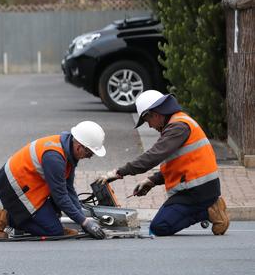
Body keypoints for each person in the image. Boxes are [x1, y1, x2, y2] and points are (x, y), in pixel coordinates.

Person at [96, 90, 229, 236]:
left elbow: (152, 157)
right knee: (158, 226)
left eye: (148, 121)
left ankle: (208, 211)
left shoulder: (177, 127)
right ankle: (207, 207)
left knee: (159, 227)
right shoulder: (178, 123)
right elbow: (179, 164)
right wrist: (152, 181)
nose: (150, 126)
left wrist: (118, 172)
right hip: (197, 189)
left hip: (197, 192)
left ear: (156, 114)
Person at [0, 121, 108, 240]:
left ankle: (44, 222)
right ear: (79, 147)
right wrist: (85, 222)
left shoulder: (68, 150)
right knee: (54, 232)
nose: (90, 157)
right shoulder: (54, 158)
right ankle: (2, 217)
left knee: (56, 216)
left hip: (29, 186)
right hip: (14, 187)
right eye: (89, 152)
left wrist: (82, 219)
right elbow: (60, 197)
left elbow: (68, 188)